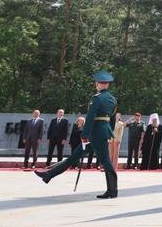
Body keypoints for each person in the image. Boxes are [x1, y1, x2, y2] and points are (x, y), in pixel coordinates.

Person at [34, 70, 119, 199]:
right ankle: (49, 175)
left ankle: (112, 190)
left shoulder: (96, 98)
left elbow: (90, 118)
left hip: (95, 133)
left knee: (106, 161)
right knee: (74, 156)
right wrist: (108, 133)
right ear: (107, 84)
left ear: (98, 84)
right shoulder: (113, 99)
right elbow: (112, 119)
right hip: (102, 132)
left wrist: (84, 134)